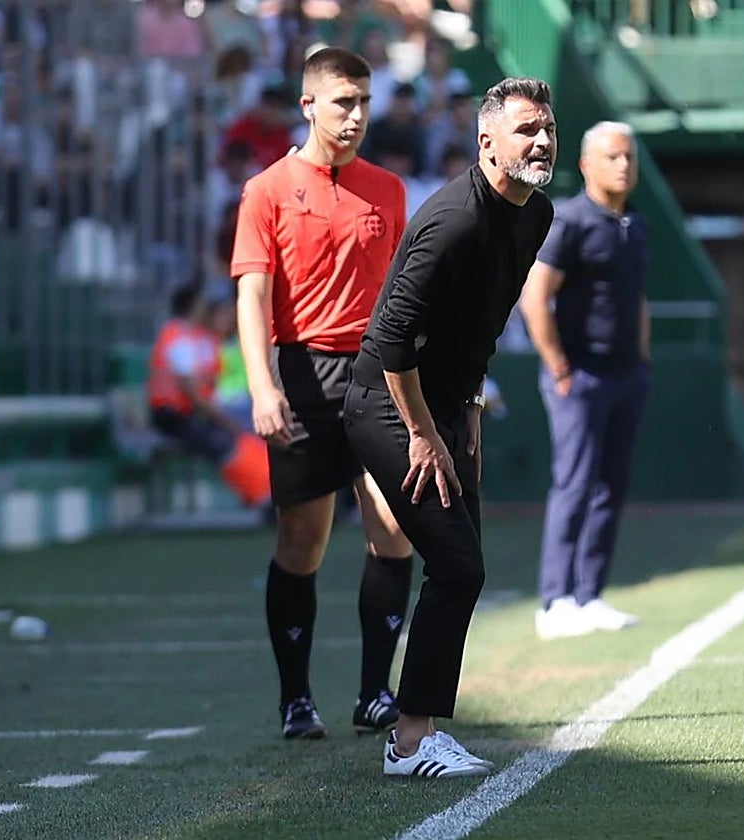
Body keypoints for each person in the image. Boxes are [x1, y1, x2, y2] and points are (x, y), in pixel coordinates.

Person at [343, 76, 557, 778]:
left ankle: (419, 730)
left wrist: (468, 409)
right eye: (526, 130)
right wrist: (422, 432)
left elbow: (480, 325)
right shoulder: (453, 220)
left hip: (443, 404)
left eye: (548, 128)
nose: (543, 141)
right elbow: (392, 341)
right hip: (388, 402)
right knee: (460, 564)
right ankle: (409, 741)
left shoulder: (535, 214)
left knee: (459, 565)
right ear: (486, 141)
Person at [231, 46, 415, 740]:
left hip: (376, 375)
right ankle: (296, 700)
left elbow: (405, 296)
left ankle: (375, 695)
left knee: (394, 530)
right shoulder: (266, 191)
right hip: (303, 375)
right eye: (344, 102)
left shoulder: (389, 189)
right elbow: (253, 296)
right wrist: (262, 386)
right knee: (303, 541)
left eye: (364, 101)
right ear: (308, 105)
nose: (357, 115)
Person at [519, 121, 650, 641]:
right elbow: (535, 298)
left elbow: (638, 299)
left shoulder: (634, 223)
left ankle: (588, 594)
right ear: (586, 164)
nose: (624, 165)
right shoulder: (569, 221)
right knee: (573, 485)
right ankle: (554, 602)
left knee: (611, 486)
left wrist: (642, 362)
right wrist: (558, 366)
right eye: (613, 157)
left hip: (626, 376)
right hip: (580, 376)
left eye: (629, 157)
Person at [148, 283, 270, 509]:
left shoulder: (196, 336)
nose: (208, 307)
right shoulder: (178, 339)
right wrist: (228, 422)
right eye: (203, 303)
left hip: (194, 413)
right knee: (226, 442)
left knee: (248, 434)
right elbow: (195, 395)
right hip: (176, 416)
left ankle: (266, 491)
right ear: (192, 307)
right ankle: (262, 495)